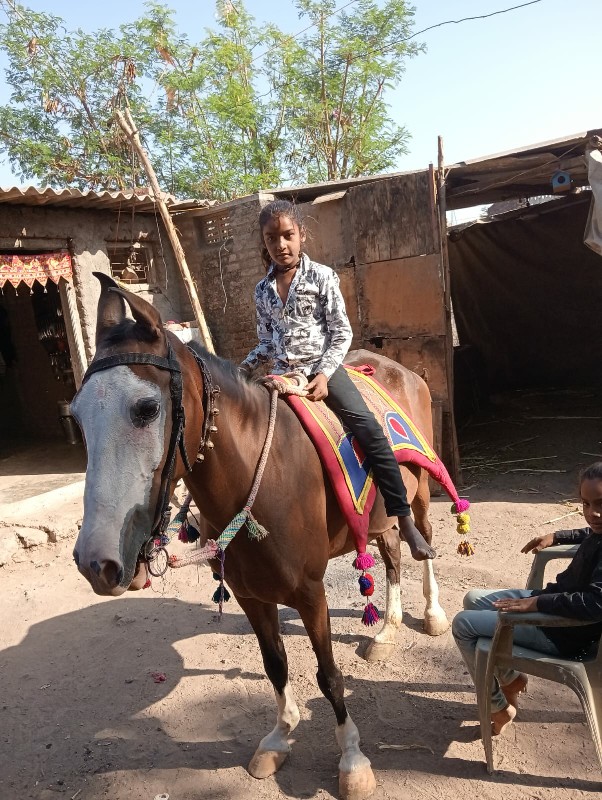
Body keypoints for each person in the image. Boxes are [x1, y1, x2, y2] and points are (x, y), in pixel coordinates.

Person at [240, 199, 435, 561]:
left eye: (287, 236)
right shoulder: (262, 291)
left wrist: (326, 374)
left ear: (302, 235)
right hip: (281, 376)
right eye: (271, 239)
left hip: (321, 370)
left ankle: (403, 518)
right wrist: (241, 369)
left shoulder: (322, 276)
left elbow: (341, 333)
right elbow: (266, 342)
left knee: (370, 429)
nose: (280, 245)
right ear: (263, 243)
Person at [452, 461, 602, 735]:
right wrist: (556, 536)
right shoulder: (599, 529)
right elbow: (588, 532)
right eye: (586, 504)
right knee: (473, 599)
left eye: (600, 503)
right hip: (551, 603)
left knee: (463, 625)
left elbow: (595, 604)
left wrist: (535, 604)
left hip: (562, 631)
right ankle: (510, 679)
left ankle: (497, 706)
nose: (593, 514)